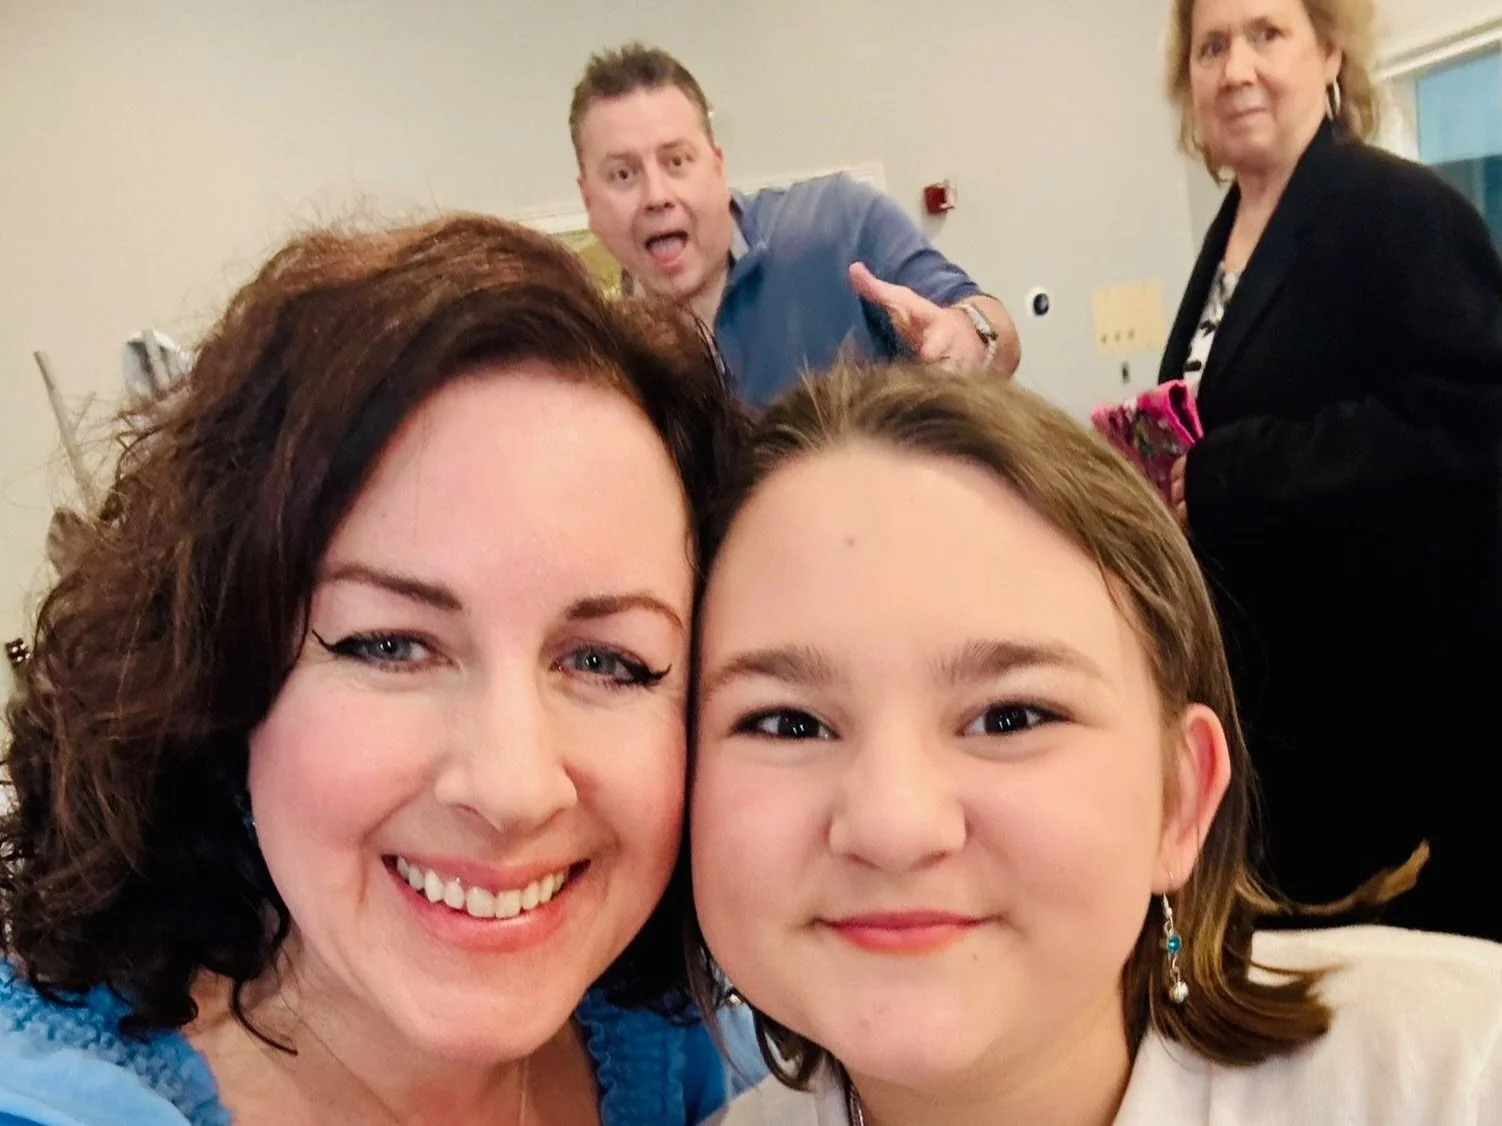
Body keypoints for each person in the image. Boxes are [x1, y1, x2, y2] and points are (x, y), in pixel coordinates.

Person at [0, 215, 749, 1126]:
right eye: (390, 645)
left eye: (606, 661)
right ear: (222, 678)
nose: (511, 789)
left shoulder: (698, 1054)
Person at [687, 364, 1502, 1126]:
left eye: (1011, 717)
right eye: (788, 723)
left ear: (1180, 800)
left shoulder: (1461, 1078)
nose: (893, 825)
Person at [1159, 0, 1502, 941]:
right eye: (1211, 47)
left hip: (1391, 758)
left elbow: (1473, 424)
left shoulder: (1400, 211)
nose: (1236, 69)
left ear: (1331, 53)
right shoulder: (1231, 232)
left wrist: (1233, 474)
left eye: (1266, 34)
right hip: (1274, 740)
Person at [569, 43, 1021, 405]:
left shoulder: (841, 222)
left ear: (717, 166)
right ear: (589, 200)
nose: (657, 196)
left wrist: (967, 336)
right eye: (623, 174)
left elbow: (997, 332)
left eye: (677, 161)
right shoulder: (597, 352)